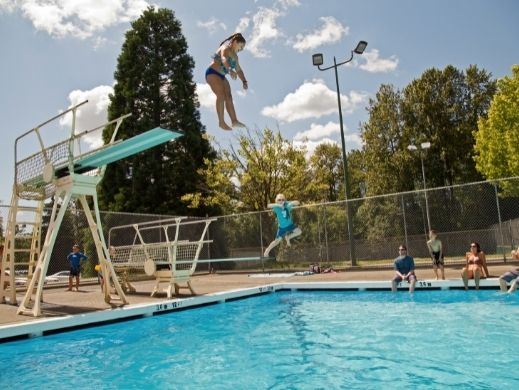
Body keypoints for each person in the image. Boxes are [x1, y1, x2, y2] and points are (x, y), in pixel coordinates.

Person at [206, 32, 248, 131]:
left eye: (242, 48)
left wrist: (244, 81)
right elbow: (224, 59)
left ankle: (234, 121)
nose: (241, 49)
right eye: (240, 46)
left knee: (228, 96)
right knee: (221, 95)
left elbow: (239, 70)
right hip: (212, 73)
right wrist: (229, 70)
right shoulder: (225, 48)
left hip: (222, 76)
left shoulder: (235, 56)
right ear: (235, 42)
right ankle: (221, 122)